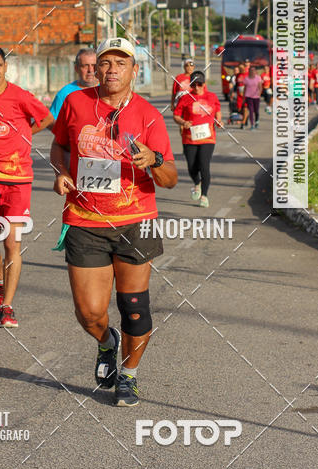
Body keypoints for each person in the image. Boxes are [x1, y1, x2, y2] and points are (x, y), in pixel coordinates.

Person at [51, 37, 177, 406]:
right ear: (96, 68)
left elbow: (170, 179)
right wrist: (61, 172)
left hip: (136, 220)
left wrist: (154, 160)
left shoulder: (149, 115)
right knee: (89, 312)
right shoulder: (76, 102)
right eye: (106, 62)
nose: (111, 70)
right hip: (85, 219)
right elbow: (60, 145)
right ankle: (107, 342)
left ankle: (129, 375)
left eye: (121, 63)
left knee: (134, 308)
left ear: (134, 70)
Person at [0, 45, 54, 328]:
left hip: (17, 179)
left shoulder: (21, 96)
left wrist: (24, 134)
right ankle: (0, 277)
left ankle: (7, 307)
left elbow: (47, 118)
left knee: (12, 243)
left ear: (5, 67)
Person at [173, 70, 222, 208]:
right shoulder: (185, 98)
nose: (197, 87)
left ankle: (204, 196)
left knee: (204, 165)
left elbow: (218, 111)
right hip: (190, 138)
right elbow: (176, 115)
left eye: (199, 84)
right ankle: (197, 183)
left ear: (204, 84)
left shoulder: (212, 97)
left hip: (208, 138)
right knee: (191, 166)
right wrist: (183, 122)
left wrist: (219, 121)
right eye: (194, 85)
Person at [49, 49, 97, 121]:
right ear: (76, 68)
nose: (90, 70)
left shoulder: (106, 90)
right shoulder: (65, 93)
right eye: (85, 66)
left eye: (94, 65)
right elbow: (50, 121)